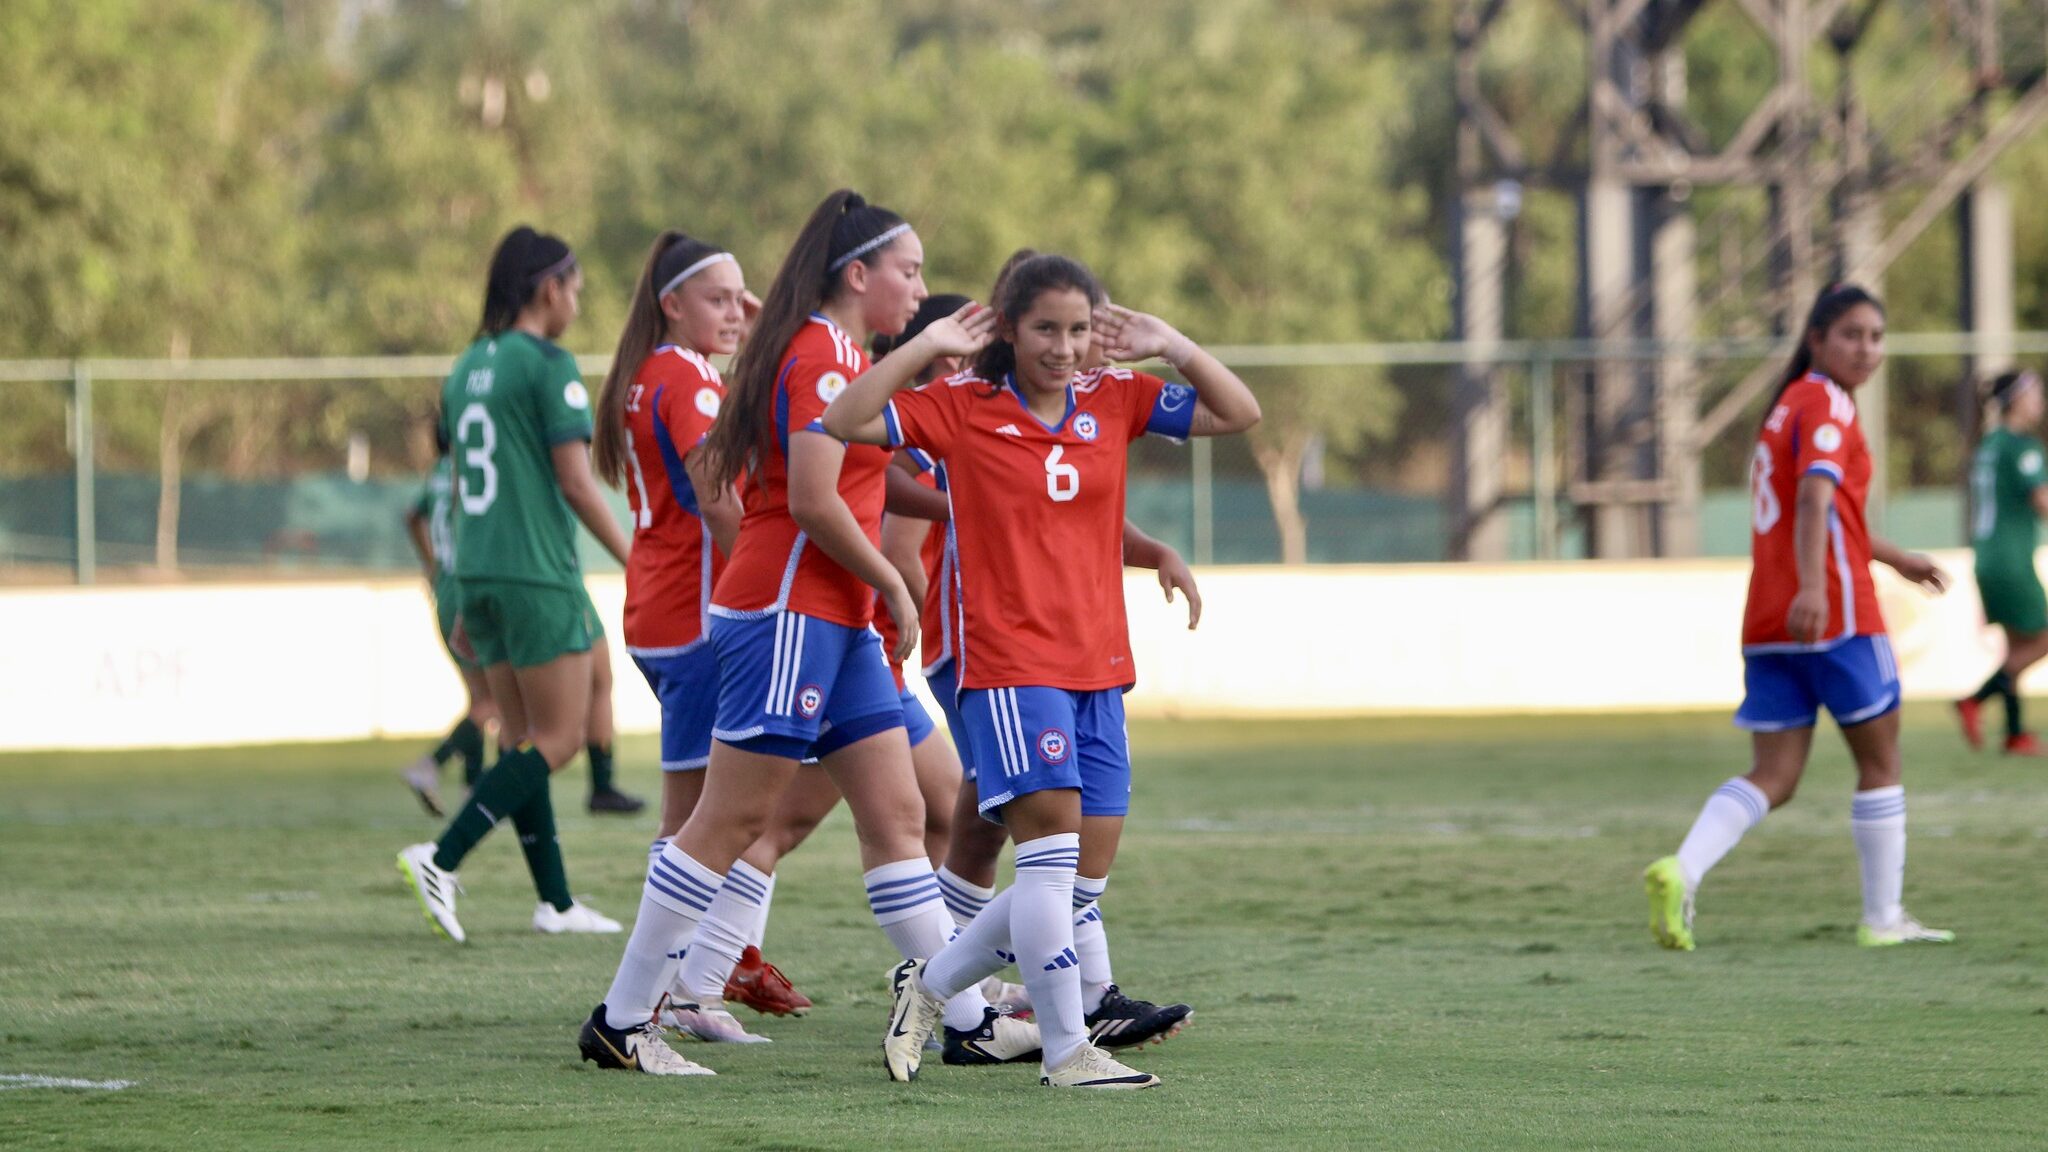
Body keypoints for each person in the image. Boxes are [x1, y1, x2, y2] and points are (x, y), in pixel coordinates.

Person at [578, 190, 1029, 1076]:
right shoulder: (821, 356)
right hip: (789, 612)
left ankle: (968, 1020)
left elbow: (858, 481)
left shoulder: (840, 353)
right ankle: (625, 1017)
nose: (921, 287)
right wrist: (893, 580)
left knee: (901, 817)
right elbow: (815, 501)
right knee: (733, 815)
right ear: (857, 275)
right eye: (911, 270)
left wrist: (957, 501)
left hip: (837, 620)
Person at [827, 252, 1261, 1088]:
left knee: (1080, 886)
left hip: (1099, 665)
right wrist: (927, 348)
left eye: (1076, 329)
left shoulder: (1117, 397)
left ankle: (933, 986)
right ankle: (1067, 1051)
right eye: (1044, 330)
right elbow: (845, 419)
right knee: (1049, 860)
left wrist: (1168, 341)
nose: (1062, 348)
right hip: (1011, 666)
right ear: (1011, 330)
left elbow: (1237, 412)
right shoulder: (962, 407)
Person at [1643, 283, 1954, 952]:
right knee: (1881, 759)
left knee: (1775, 777)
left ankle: (1682, 868)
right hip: (1834, 615)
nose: (1866, 348)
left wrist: (1894, 556)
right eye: (1851, 334)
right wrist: (1816, 588)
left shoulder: (1784, 407)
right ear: (1816, 339)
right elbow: (1815, 502)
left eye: (1875, 336)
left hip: (1769, 619)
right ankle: (1882, 918)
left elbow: (1827, 513)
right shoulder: (1826, 405)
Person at [588, 229, 812, 1019]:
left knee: (705, 813)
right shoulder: (687, 380)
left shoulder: (653, 373)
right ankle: (660, 1000)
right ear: (671, 304)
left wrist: (748, 323)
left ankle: (686, 985)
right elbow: (719, 497)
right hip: (695, 618)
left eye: (741, 298)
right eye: (717, 298)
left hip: (661, 609)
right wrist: (757, 596)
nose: (734, 311)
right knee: (694, 822)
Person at [396, 225, 629, 943]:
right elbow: (577, 483)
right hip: (535, 571)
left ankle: (554, 902)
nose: (577, 303)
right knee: (558, 739)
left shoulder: (468, 364)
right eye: (576, 289)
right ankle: (442, 854)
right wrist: (635, 555)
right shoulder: (546, 363)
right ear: (547, 287)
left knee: (522, 736)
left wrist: (460, 588)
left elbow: (461, 482)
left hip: (478, 570)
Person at [399, 414, 496, 816]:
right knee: (493, 701)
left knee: (478, 697)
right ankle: (430, 765)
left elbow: (411, 516)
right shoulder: (466, 472)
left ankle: (473, 790)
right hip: (467, 586)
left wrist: (432, 565)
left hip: (445, 589)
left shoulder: (437, 472)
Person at [1957, 368, 2048, 756]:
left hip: (1987, 555)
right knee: (2042, 638)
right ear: (2016, 400)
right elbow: (2042, 502)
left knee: (2015, 645)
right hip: (2011, 557)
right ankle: (1974, 699)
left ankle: (2014, 734)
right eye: (2036, 393)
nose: (2041, 401)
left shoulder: (1989, 443)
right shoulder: (2022, 447)